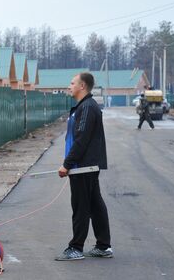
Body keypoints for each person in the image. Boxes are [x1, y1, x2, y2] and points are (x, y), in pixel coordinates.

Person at [56, 72, 113, 261]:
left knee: (80, 207)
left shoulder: (87, 107)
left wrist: (67, 164)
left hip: (83, 167)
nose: (69, 86)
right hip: (85, 166)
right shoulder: (84, 106)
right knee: (95, 205)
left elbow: (81, 140)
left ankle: (76, 248)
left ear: (82, 86)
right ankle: (103, 246)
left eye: (72, 83)